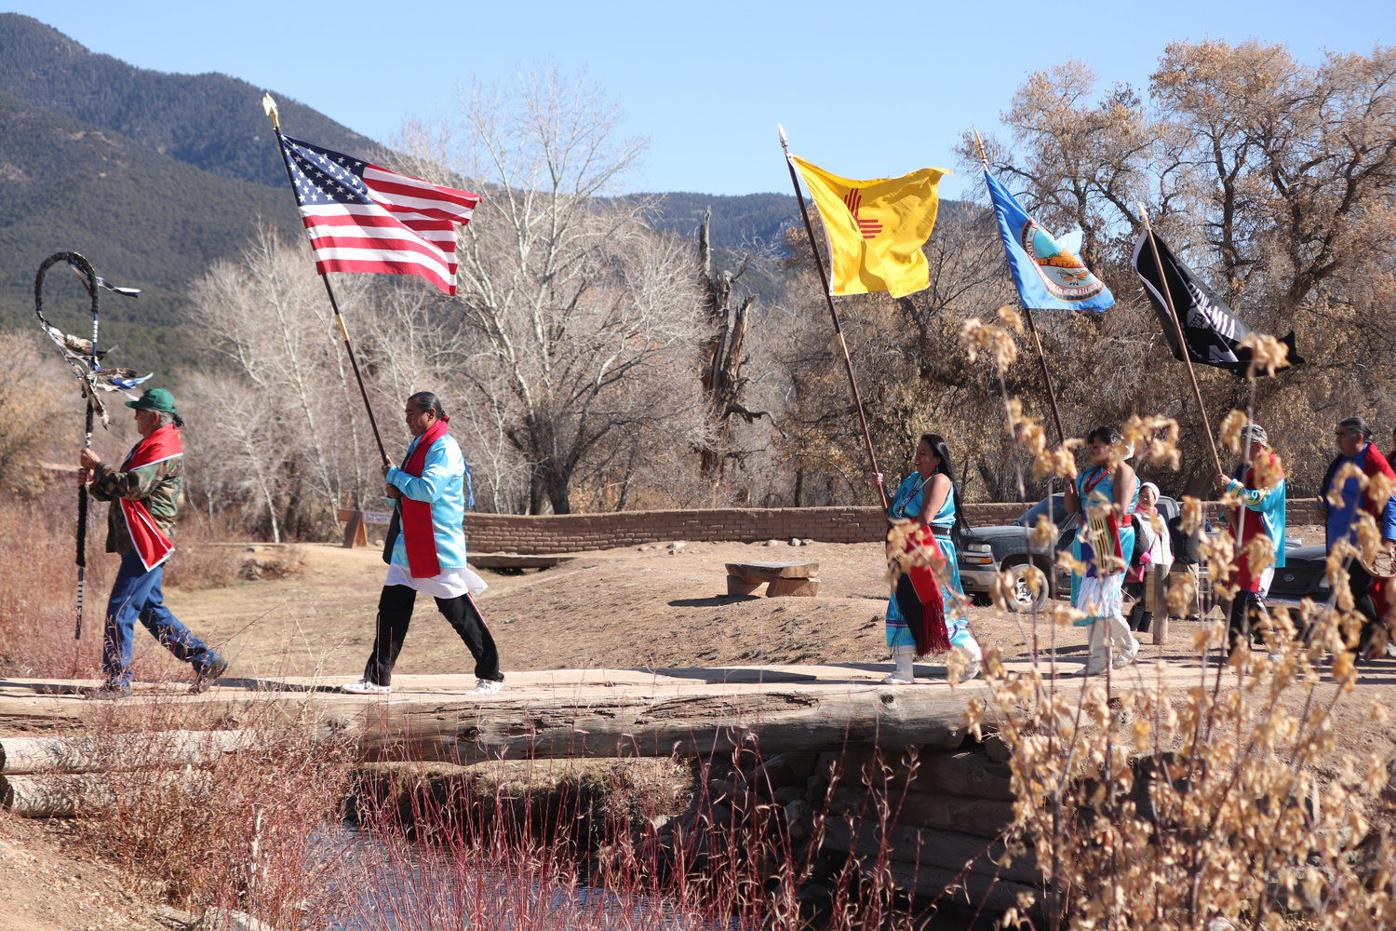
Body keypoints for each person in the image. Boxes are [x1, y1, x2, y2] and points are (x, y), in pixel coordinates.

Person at [343, 391, 503, 696]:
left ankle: (491, 674)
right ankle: (377, 678)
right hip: (410, 543)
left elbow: (428, 490)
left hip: (436, 543)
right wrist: (396, 489)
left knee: (458, 611)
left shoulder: (443, 447)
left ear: (430, 414)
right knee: (391, 609)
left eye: (411, 414)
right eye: (406, 414)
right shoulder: (419, 444)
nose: (407, 420)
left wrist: (395, 475)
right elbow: (410, 491)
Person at [79, 388, 227, 699]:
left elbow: (132, 487)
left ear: (155, 416)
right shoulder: (152, 444)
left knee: (119, 612)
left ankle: (117, 682)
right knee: (151, 612)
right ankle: (207, 660)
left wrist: (100, 466)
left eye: (139, 411)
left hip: (147, 541)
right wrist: (95, 481)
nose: (135, 416)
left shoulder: (161, 446)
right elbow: (121, 489)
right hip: (142, 540)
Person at [872, 434, 983, 685]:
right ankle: (903, 671)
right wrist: (882, 488)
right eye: (918, 451)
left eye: (924, 453)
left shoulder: (940, 480)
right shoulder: (912, 481)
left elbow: (925, 518)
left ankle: (971, 656)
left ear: (937, 459)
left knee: (938, 603)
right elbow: (894, 509)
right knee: (902, 603)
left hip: (929, 549)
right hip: (904, 547)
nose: (918, 456)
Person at [1065, 426, 1141, 675]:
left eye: (1096, 446)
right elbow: (1073, 507)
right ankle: (1098, 657)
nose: (1092, 451)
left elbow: (1119, 508)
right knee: (1088, 599)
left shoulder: (1123, 472)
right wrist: (1069, 484)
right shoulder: (1087, 475)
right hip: (1088, 537)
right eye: (1090, 447)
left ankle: (1128, 644)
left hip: (1112, 537)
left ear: (1112, 447)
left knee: (1103, 598)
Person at [1319, 416, 1396, 656]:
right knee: (1339, 591)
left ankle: (1374, 638)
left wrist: (1389, 539)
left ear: (1358, 437)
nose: (1337, 440)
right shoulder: (1342, 461)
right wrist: (1324, 506)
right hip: (1335, 538)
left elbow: (1392, 500)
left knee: (1357, 592)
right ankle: (1351, 644)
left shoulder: (1374, 461)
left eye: (1341, 435)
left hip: (1360, 542)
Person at [1218, 424, 1287, 657]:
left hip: (1262, 543)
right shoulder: (1247, 471)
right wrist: (1228, 501)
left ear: (1257, 445)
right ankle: (1237, 649)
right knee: (1237, 595)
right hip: (1242, 541)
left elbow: (1261, 502)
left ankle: (1273, 643)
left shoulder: (1272, 469)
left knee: (1251, 596)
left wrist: (1233, 487)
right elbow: (1239, 502)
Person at [1125, 482, 1173, 632]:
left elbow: (1166, 540)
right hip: (1145, 565)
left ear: (1155, 498)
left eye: (1148, 496)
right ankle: (1129, 631)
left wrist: (1170, 556)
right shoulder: (1136, 518)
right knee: (1142, 601)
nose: (1145, 499)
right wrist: (1143, 555)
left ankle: (1143, 632)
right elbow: (1134, 542)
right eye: (1142, 496)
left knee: (1151, 604)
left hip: (1161, 565)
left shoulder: (1160, 518)